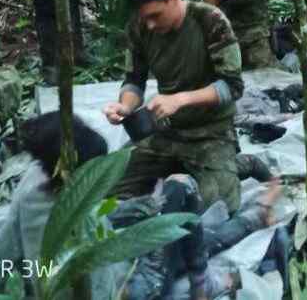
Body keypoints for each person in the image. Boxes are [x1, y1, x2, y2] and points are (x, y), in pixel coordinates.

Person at [20, 111, 286, 300]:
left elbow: (2, 259)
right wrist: (152, 205)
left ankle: (254, 221)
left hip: (116, 251)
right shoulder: (83, 211)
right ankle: (207, 282)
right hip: (134, 285)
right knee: (183, 204)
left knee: (181, 233)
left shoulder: (29, 198)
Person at [103, 0, 243, 214]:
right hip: (165, 132)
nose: (150, 24)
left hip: (210, 133)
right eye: (144, 17)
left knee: (220, 207)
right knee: (104, 189)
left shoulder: (210, 20)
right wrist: (125, 106)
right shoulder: (140, 26)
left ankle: (242, 164)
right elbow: (134, 79)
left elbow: (232, 86)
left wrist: (181, 99)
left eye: (155, 15)